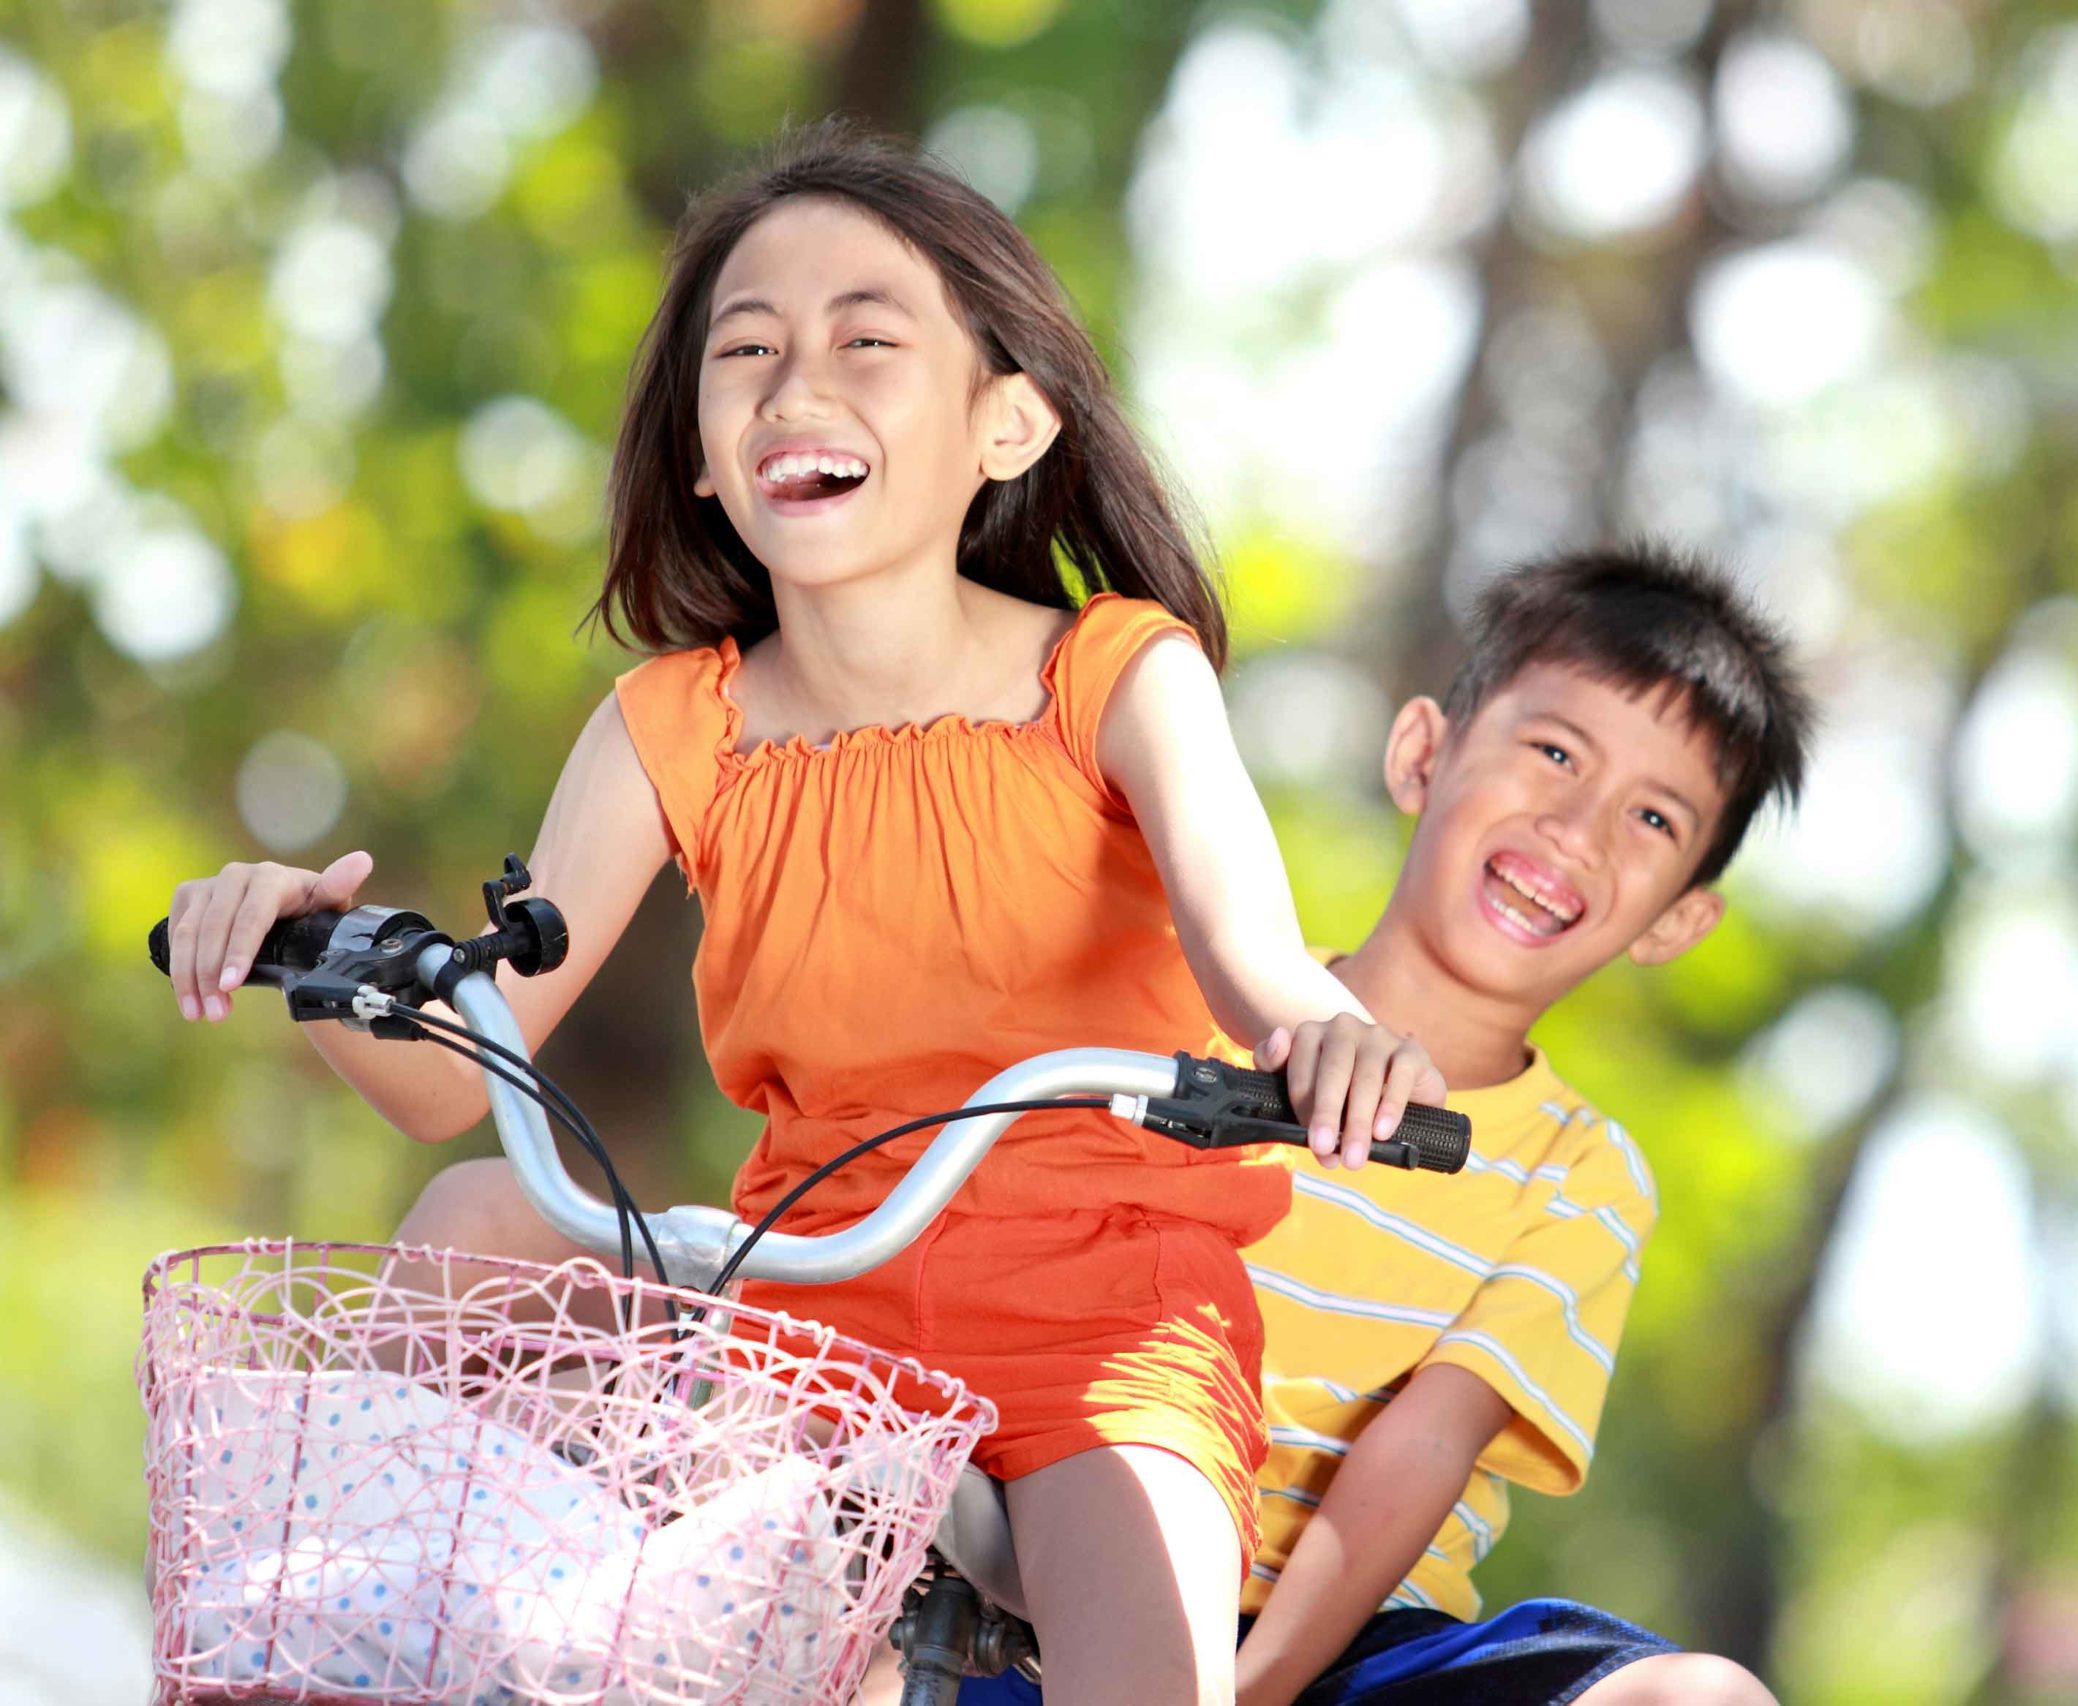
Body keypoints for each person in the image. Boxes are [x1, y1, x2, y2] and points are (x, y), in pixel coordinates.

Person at [159, 121, 1442, 1706]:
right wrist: (319, 953)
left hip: (1101, 1312)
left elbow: (1259, 965)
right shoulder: (672, 724)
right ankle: (356, 1661)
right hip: (807, 1290)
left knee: (1153, 1659)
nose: (794, 386)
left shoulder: (1118, 675)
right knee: (476, 1224)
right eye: (746, 351)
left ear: (1008, 418)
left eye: (867, 341)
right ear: (702, 452)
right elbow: (453, 1076)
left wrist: (1330, 1039)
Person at [962, 544, 1809, 1705]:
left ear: (1677, 919)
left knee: (1704, 1697)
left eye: (1652, 816)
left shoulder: (1579, 1173)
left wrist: (1248, 1689)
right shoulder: (1185, 1014)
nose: (1577, 826)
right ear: (1422, 752)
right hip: (1059, 1583)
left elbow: (1418, 1446)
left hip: (1348, 1643)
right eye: (1554, 751)